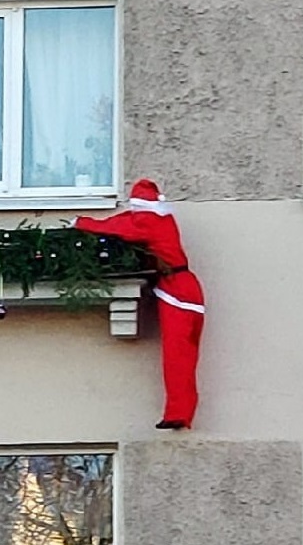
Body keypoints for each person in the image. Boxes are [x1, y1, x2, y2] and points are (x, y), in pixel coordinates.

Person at [75, 178, 205, 430]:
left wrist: (81, 223)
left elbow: (118, 226)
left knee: (176, 356)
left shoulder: (147, 222)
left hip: (176, 290)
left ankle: (177, 413)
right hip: (187, 289)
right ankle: (182, 412)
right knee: (185, 356)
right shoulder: (162, 219)